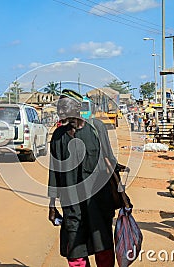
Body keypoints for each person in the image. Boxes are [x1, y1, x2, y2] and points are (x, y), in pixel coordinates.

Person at [48, 89, 128, 267]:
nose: (59, 111)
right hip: (71, 203)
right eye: (58, 107)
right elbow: (54, 172)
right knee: (75, 250)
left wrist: (122, 193)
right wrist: (52, 205)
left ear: (77, 107)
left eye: (63, 107)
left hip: (98, 201)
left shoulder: (97, 128)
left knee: (103, 246)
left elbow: (110, 161)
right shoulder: (57, 136)